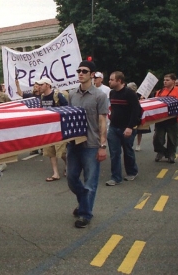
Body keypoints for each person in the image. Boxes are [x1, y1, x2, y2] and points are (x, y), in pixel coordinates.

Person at [67, 60, 109, 228]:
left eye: (84, 71)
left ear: (92, 74)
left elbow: (102, 121)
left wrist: (102, 146)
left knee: (90, 182)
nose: (80, 73)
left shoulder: (100, 96)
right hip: (74, 143)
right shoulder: (72, 94)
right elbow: (68, 117)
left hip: (92, 144)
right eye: (79, 71)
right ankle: (84, 202)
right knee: (71, 178)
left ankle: (85, 213)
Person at [105, 72, 140, 186]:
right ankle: (116, 177)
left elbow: (136, 111)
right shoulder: (112, 93)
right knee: (114, 153)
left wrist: (130, 127)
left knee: (128, 151)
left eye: (111, 79)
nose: (109, 81)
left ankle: (132, 171)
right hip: (114, 128)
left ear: (119, 81)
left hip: (127, 128)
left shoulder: (129, 93)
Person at [36, 78, 68, 182]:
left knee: (62, 151)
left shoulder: (57, 95)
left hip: (59, 128)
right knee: (50, 152)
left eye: (41, 85)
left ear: (48, 85)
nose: (39, 87)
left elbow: (67, 109)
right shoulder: (42, 97)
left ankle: (68, 164)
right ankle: (55, 173)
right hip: (48, 128)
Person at [153, 73, 178, 163]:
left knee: (173, 139)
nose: (165, 82)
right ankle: (161, 152)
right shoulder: (159, 92)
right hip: (162, 119)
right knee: (157, 138)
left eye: (167, 80)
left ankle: (171, 154)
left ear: (173, 81)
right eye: (164, 80)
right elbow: (155, 105)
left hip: (175, 119)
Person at [127, 82, 150, 151]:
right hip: (130, 114)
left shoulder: (139, 95)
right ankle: (130, 143)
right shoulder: (127, 95)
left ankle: (138, 144)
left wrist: (142, 99)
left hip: (139, 114)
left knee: (140, 131)